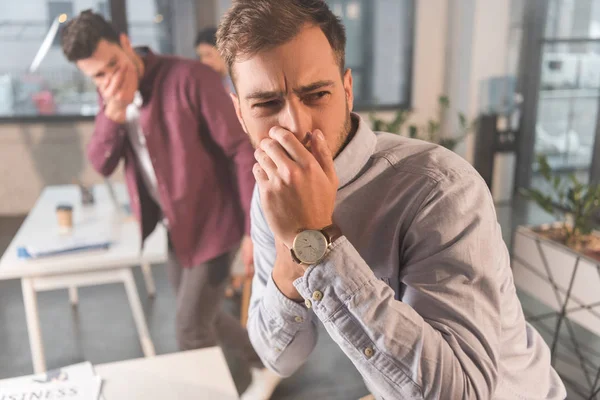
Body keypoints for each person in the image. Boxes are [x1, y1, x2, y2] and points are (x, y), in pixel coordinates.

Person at [217, 1, 567, 399]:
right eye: (265, 104)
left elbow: (463, 394)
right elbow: (279, 356)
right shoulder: (273, 196)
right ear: (241, 114)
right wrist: (293, 249)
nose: (296, 126)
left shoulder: (440, 189)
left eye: (316, 95)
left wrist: (317, 239)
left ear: (347, 91)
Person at [60, 10, 281, 399]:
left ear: (127, 44)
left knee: (189, 329)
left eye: (113, 64)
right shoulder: (110, 96)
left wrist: (253, 229)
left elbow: (240, 151)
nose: (109, 79)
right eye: (97, 76)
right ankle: (265, 362)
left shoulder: (190, 78)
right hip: (176, 228)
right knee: (203, 315)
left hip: (217, 223)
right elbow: (101, 161)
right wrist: (113, 115)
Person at [195, 27, 235, 94]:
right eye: (200, 56)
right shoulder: (210, 84)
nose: (204, 61)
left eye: (208, 55)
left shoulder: (238, 80)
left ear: (222, 50)